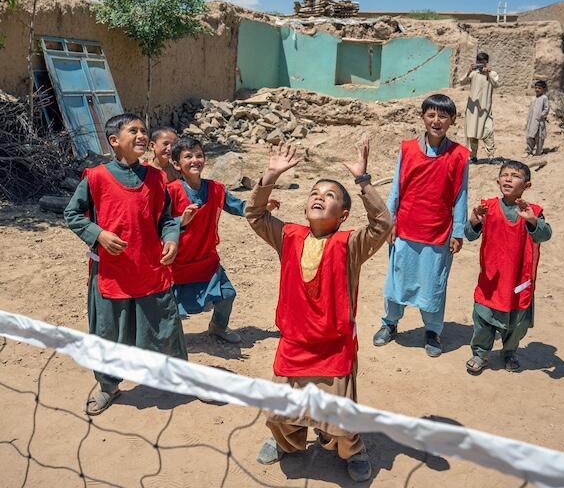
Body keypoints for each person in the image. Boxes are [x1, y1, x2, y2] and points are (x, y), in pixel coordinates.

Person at [246, 139, 391, 483]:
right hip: (294, 343)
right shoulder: (289, 236)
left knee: (340, 422)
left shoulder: (351, 244)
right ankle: (290, 444)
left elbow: (383, 225)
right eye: (315, 192)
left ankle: (351, 451)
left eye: (329, 196)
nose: (319, 196)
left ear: (342, 216)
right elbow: (254, 214)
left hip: (333, 345)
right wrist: (270, 176)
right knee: (279, 414)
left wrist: (363, 182)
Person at [64, 113, 186, 416]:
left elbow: (167, 219)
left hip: (150, 270)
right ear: (114, 141)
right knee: (108, 332)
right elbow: (72, 215)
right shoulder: (95, 177)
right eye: (133, 131)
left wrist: (171, 238)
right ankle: (108, 387)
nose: (142, 135)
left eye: (144, 130)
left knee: (164, 326)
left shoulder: (158, 178)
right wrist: (99, 234)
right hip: (111, 273)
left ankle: (180, 377)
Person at [373, 94, 469, 357]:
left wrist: (458, 231)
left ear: (452, 120)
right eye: (431, 115)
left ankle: (432, 331)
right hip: (404, 229)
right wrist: (389, 223)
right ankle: (390, 324)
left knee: (434, 286)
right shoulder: (407, 149)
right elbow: (396, 189)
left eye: (443, 116)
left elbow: (461, 195)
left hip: (438, 233)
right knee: (396, 282)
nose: (436, 121)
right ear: (423, 117)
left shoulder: (460, 156)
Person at [167, 135, 262, 344]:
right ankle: (168, 338)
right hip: (177, 262)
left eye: (199, 155)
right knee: (170, 305)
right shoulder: (171, 192)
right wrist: (179, 221)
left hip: (206, 259)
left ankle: (218, 327)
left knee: (227, 294)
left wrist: (261, 206)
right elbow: (161, 223)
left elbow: (239, 206)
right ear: (176, 164)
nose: (195, 160)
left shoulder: (216, 189)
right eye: (188, 156)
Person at [463, 160, 552, 375]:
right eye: (505, 175)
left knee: (516, 322)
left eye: (515, 176)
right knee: (483, 317)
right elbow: (470, 235)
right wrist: (474, 221)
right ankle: (480, 353)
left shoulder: (533, 211)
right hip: (492, 279)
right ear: (498, 181)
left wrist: (531, 221)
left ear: (527, 185)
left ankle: (509, 352)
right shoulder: (488, 207)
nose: (508, 179)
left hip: (518, 279)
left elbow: (545, 234)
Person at [459, 52, 500, 163]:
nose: (481, 64)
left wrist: (488, 74)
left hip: (486, 109)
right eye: (479, 62)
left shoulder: (493, 73)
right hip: (473, 110)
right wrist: (469, 70)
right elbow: (461, 82)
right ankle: (473, 157)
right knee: (473, 133)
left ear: (486, 61)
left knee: (489, 131)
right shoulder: (473, 73)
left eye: (483, 61)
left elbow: (496, 84)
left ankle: (491, 157)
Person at [525, 80, 550, 157]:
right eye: (536, 88)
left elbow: (546, 109)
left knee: (539, 137)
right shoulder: (533, 98)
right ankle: (529, 151)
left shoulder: (544, 98)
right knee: (529, 136)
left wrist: (541, 116)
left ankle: (538, 152)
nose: (537, 89)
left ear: (543, 89)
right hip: (531, 121)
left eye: (539, 88)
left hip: (539, 121)